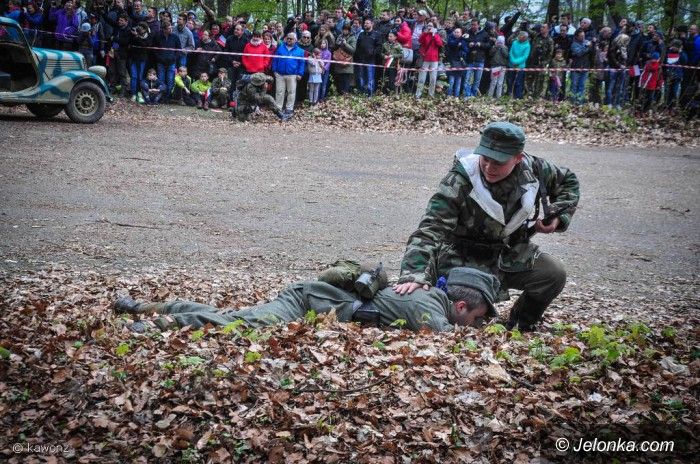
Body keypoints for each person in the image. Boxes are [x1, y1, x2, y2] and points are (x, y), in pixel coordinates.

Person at [395, 122, 579, 332]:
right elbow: (431, 228)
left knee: (553, 274)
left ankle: (521, 324)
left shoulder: (536, 170)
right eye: (485, 159)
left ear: (518, 158)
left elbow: (568, 181)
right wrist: (414, 274)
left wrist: (558, 216)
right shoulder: (461, 179)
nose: (489, 168)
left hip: (508, 253)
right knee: (461, 316)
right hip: (460, 257)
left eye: (498, 162)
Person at [113, 267, 500, 333]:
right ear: (460, 307)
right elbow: (445, 337)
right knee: (244, 323)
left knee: (232, 315)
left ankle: (142, 307)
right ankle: (152, 323)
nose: (477, 325)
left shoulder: (428, 297)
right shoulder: (428, 305)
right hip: (306, 302)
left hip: (313, 300)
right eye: (478, 318)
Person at [272, 32, 306, 116]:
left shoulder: (300, 51)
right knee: (279, 92)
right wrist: (274, 70)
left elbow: (302, 63)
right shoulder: (280, 48)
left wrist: (300, 74)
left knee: (291, 92)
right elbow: (275, 59)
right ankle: (278, 108)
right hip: (280, 74)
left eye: (291, 39)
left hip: (292, 75)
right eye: (288, 38)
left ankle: (289, 109)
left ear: (295, 40)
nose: (289, 40)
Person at [154, 21, 181, 102]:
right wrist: (158, 58)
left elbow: (178, 49)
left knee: (170, 80)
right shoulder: (158, 37)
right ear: (164, 29)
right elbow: (154, 49)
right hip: (161, 62)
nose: (171, 29)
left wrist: (174, 58)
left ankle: (168, 97)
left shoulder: (175, 37)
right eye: (169, 28)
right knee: (161, 80)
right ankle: (160, 97)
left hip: (171, 63)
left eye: (171, 28)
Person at [415, 21, 443, 99]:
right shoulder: (425, 34)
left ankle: (431, 94)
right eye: (428, 25)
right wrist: (425, 33)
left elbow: (440, 44)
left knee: (433, 79)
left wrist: (434, 35)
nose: (429, 27)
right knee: (421, 78)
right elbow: (419, 41)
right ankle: (418, 94)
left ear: (434, 27)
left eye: (431, 26)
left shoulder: (436, 35)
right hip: (425, 59)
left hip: (434, 59)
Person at [507, 30, 530, 99]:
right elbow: (511, 52)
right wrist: (513, 61)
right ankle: (509, 94)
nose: (519, 37)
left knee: (518, 82)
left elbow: (525, 56)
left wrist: (516, 62)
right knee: (510, 80)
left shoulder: (527, 45)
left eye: (520, 36)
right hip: (511, 64)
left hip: (520, 66)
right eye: (519, 35)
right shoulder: (514, 42)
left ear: (524, 37)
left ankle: (517, 96)